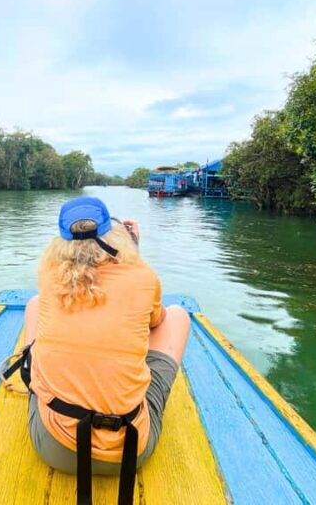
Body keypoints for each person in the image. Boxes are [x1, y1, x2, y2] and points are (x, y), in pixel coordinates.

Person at [21, 196, 190, 505]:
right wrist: (133, 248)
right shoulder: (142, 276)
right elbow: (157, 322)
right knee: (177, 316)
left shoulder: (48, 272)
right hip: (132, 448)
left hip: (55, 449)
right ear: (113, 234)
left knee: (33, 306)